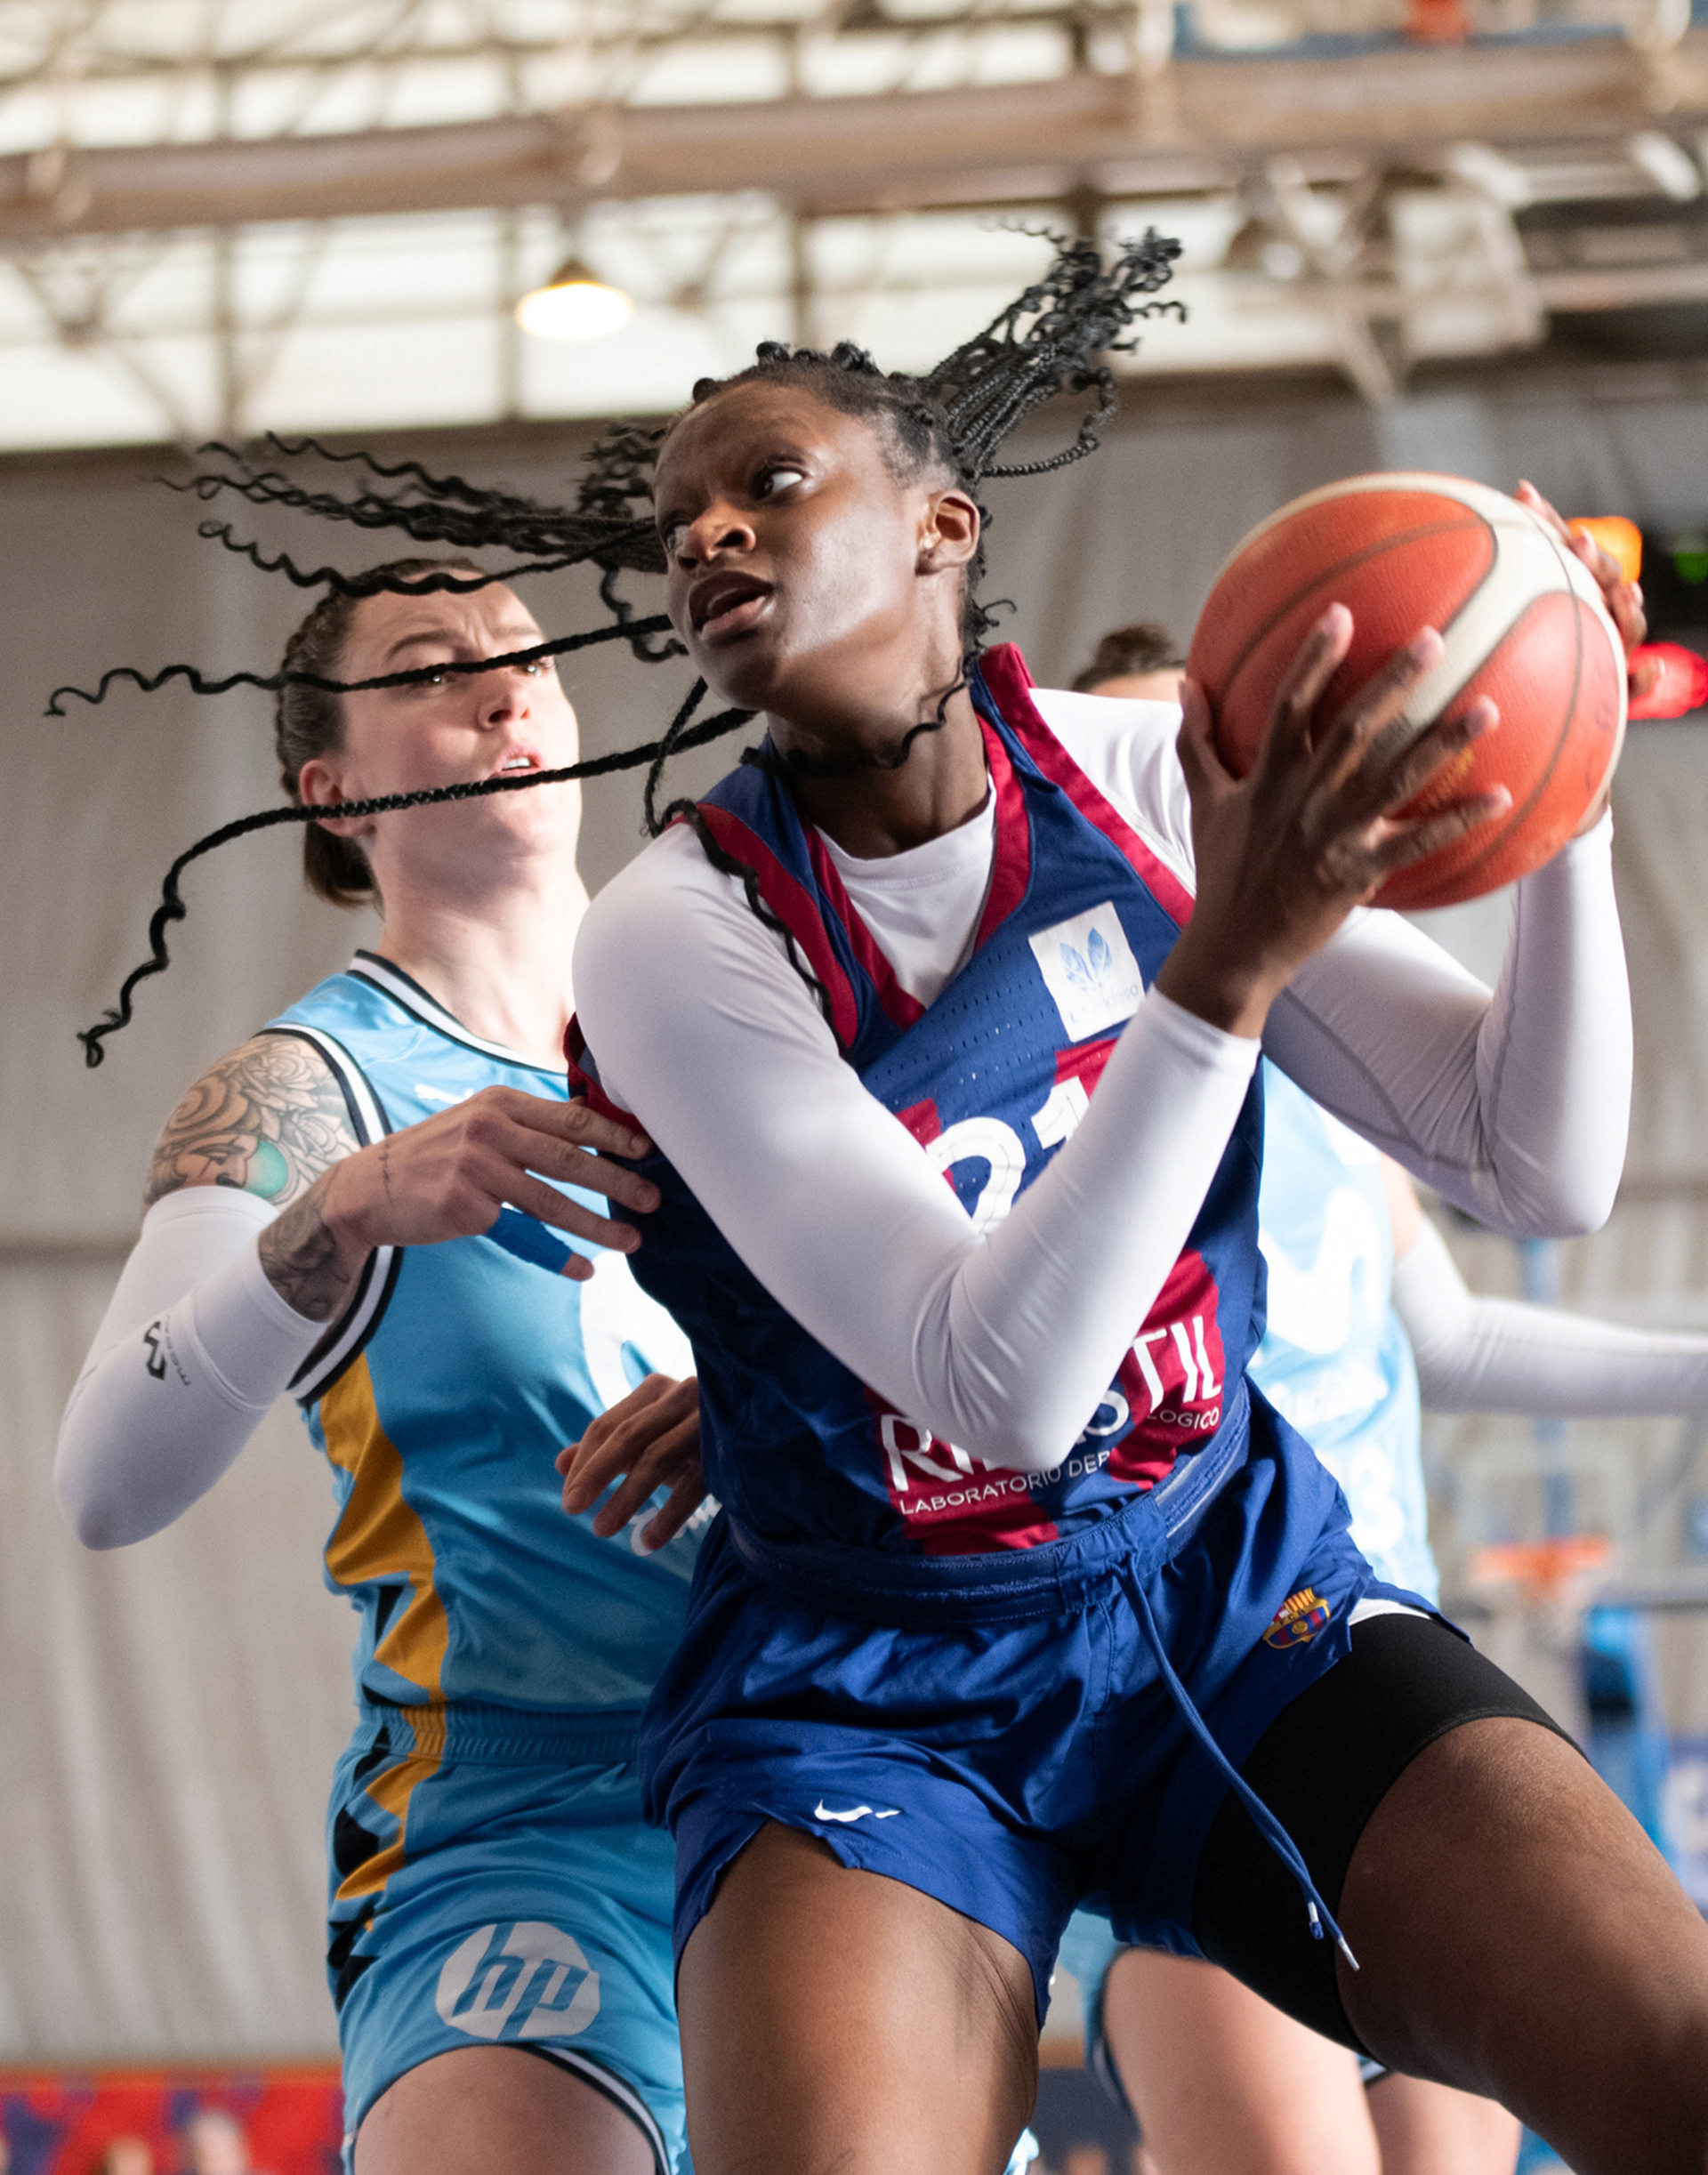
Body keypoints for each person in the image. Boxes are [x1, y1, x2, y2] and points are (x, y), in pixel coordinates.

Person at [549, 236, 1708, 2175]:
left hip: (1220, 1582)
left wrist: (1568, 793)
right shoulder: (673, 930)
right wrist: (1225, 967)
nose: (709, 539)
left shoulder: (1146, 782)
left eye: (770, 483)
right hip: (871, 1673)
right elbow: (994, 1389)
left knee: (1675, 2053)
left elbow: (1533, 1164)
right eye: (678, 530)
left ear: (942, 525)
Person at [56, 560, 710, 2175]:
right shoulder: (309, 1089)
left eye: (529, 657)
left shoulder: (749, 1012)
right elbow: (105, 1481)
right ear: (332, 790)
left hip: (829, 1762)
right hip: (526, 1811)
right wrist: (339, 1209)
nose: (503, 688)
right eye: (429, 667)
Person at [1055, 624, 1708, 2175]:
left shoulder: (1340, 1065)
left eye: (1205, 778)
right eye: (1135, 780)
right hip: (1181, 1718)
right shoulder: (1051, 1096)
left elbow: (1449, 1337)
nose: (1189, 820)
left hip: (1379, 1684)